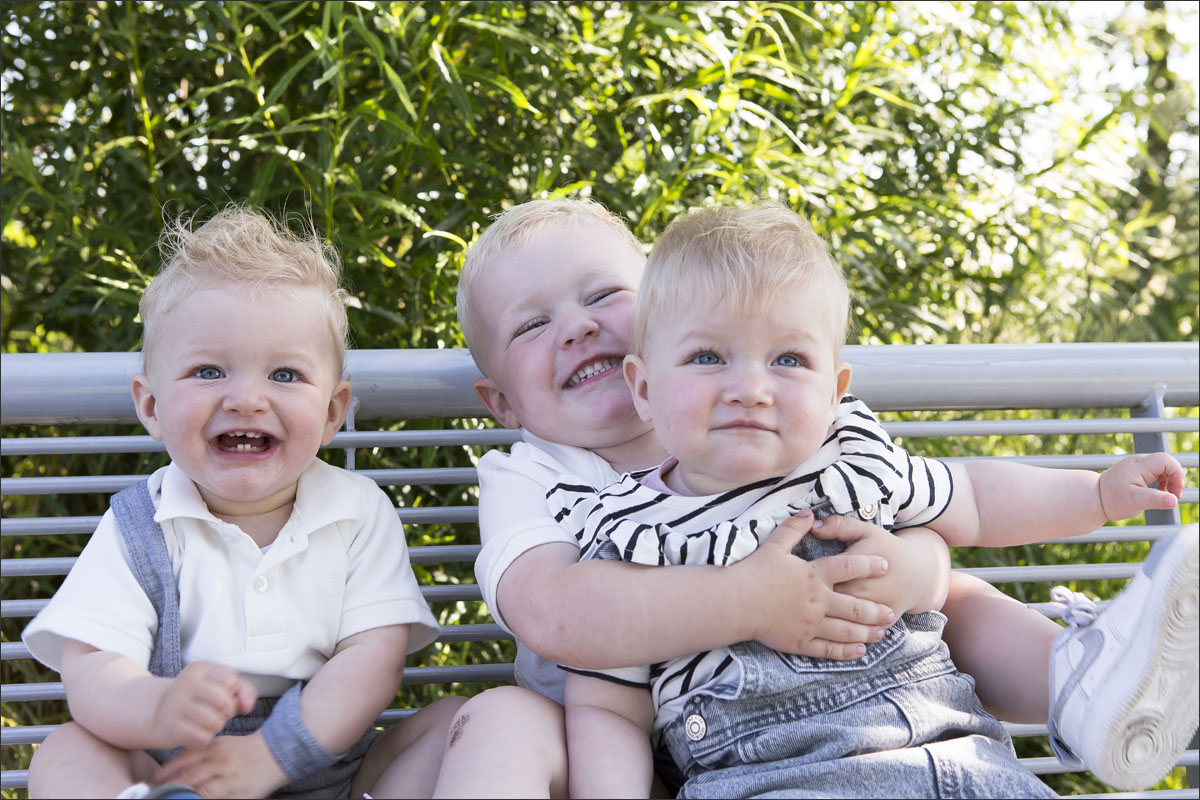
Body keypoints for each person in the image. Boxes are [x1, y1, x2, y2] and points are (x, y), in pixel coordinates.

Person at [436, 196, 1198, 797]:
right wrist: (754, 599)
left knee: (950, 591)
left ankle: (1082, 688)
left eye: (602, 295)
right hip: (761, 766)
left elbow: (967, 493)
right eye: (534, 324)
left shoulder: (828, 449)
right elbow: (579, 641)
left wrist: (1095, 493)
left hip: (951, 748)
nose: (575, 327)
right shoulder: (614, 524)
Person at [21, 207, 466, 799]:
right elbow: (91, 668)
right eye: (208, 370)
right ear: (151, 406)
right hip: (179, 773)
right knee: (67, 752)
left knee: (460, 720)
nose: (247, 399)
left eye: (284, 375)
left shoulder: (357, 514)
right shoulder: (140, 525)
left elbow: (372, 660)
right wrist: (158, 705)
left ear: (334, 412)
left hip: (330, 774)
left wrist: (269, 758)